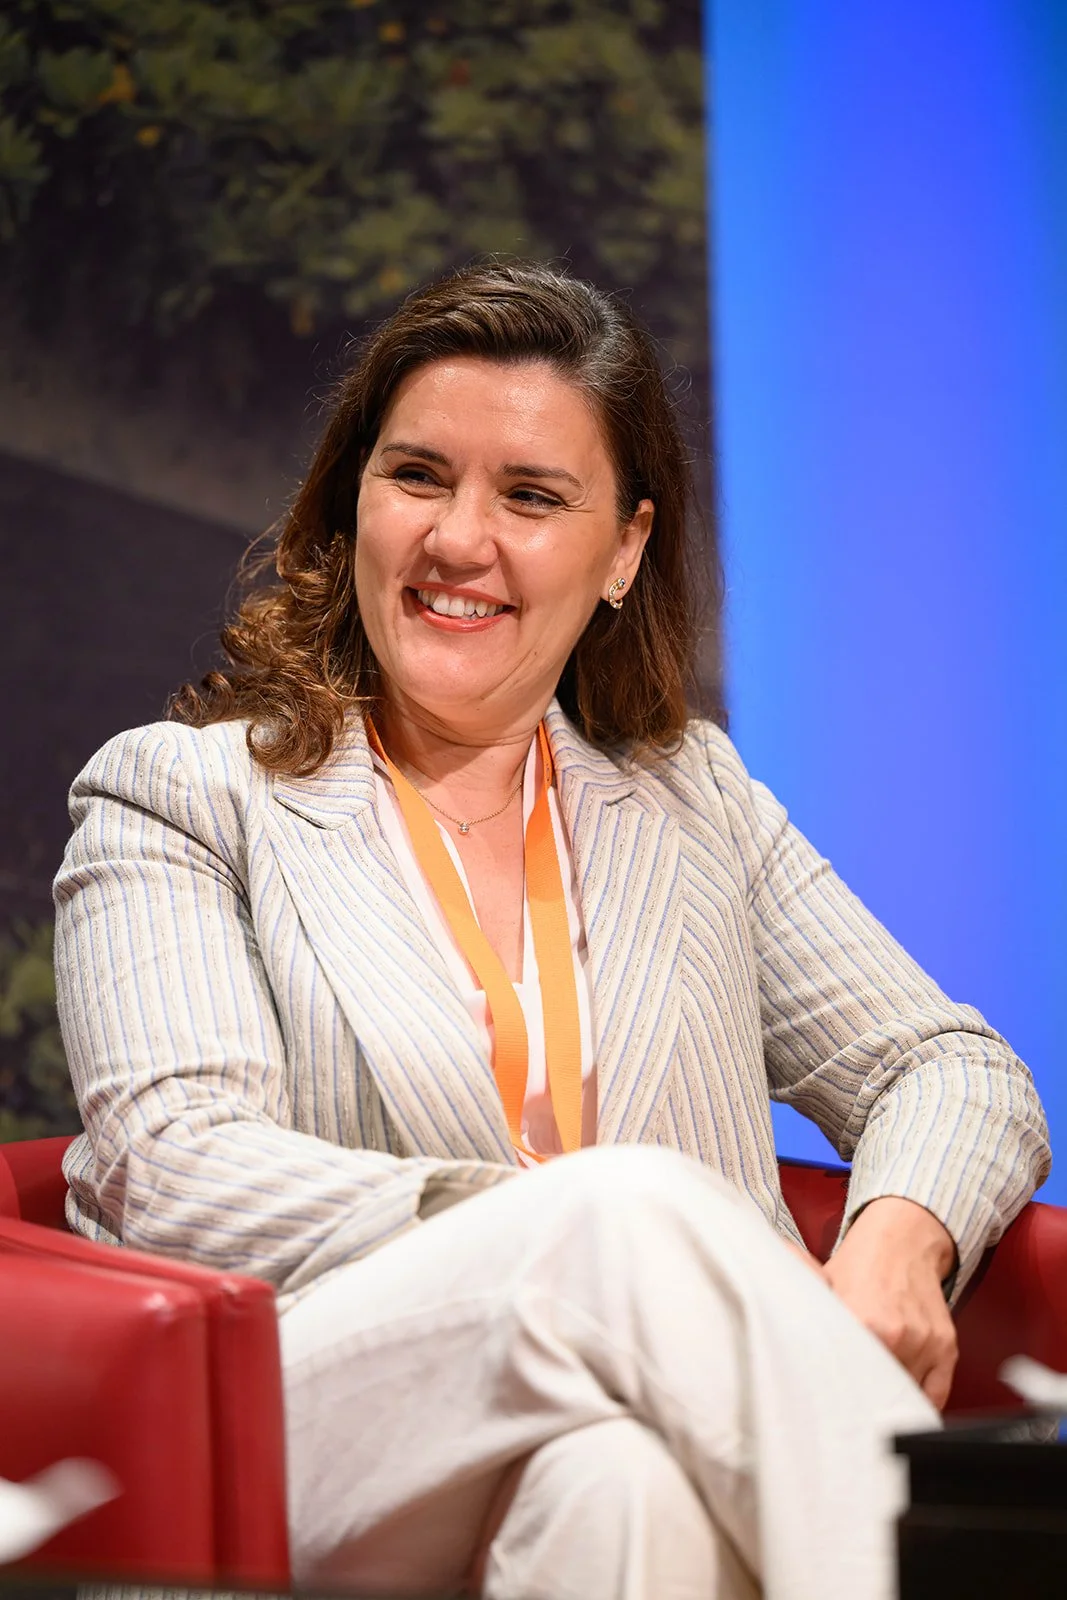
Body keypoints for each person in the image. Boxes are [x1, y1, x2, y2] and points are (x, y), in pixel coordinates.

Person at [53, 261, 1050, 1600]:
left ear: (624, 549)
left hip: (616, 1437)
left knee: (619, 1482)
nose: (460, 539)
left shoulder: (687, 796)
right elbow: (174, 1170)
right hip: (328, 1434)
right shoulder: (186, 795)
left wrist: (891, 1241)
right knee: (624, 1216)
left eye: (529, 496)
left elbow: (949, 1065)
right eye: (417, 476)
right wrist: (561, 1226)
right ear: (353, 505)